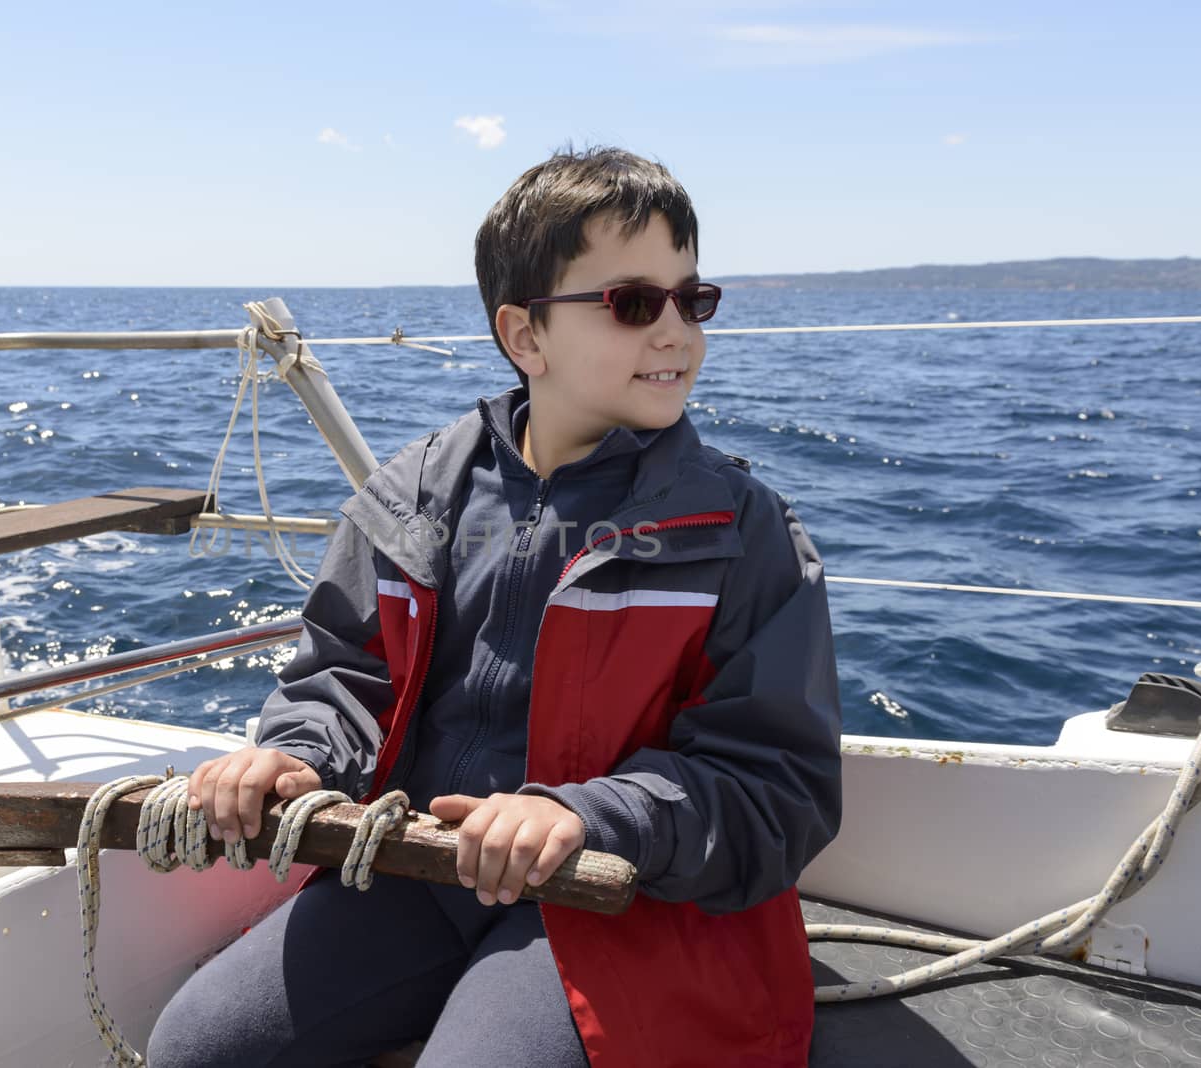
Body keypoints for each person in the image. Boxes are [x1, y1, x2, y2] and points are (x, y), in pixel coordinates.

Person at [148, 146, 842, 1068]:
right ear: (525, 337)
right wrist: (293, 754)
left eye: (692, 298)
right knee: (195, 1047)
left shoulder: (739, 531)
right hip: (420, 872)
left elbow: (779, 791)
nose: (677, 332)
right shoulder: (416, 494)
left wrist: (588, 815)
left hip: (621, 900)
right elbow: (344, 675)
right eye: (635, 303)